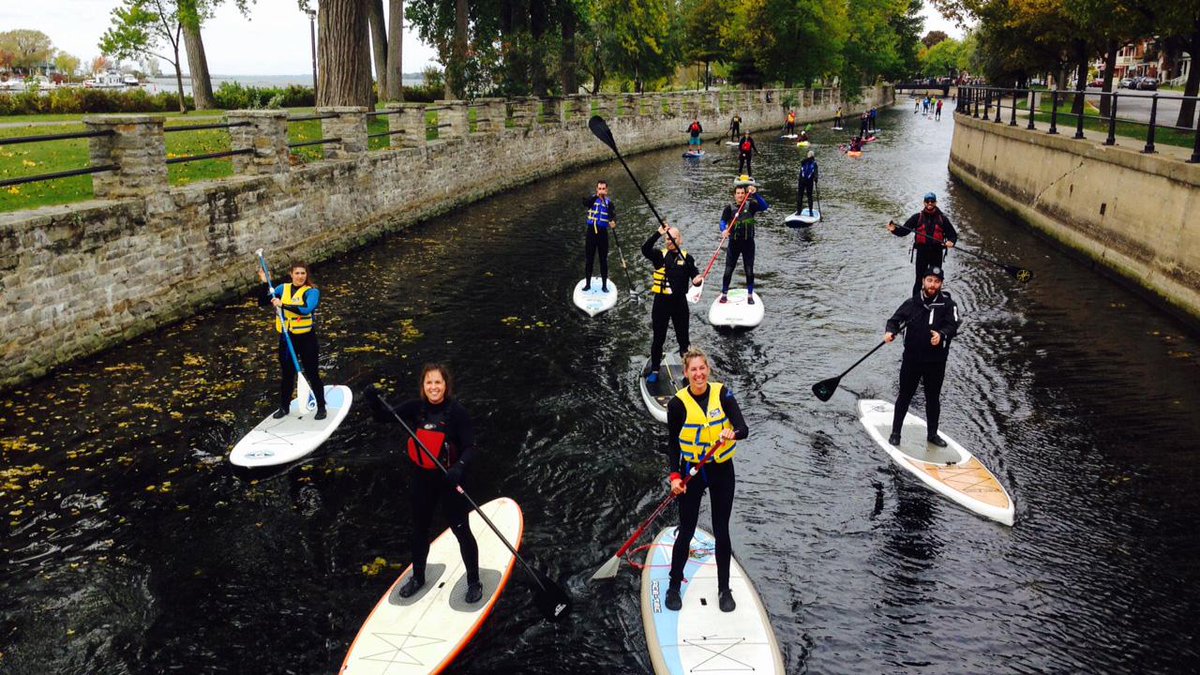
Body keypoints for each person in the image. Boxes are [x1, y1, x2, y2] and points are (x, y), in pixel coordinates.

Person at [366, 364, 483, 604]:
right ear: (423, 386)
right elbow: (383, 417)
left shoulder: (457, 413)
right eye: (429, 383)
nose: (433, 387)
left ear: (446, 385)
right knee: (419, 531)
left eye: (438, 382)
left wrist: (459, 467)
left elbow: (470, 447)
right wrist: (373, 400)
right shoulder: (414, 408)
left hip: (451, 480)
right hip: (423, 480)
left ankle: (473, 581)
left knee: (462, 531)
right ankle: (418, 577)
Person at [663, 346, 749, 614]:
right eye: (693, 370)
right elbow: (673, 445)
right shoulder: (677, 405)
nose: (699, 374)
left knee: (721, 529)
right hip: (693, 472)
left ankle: (724, 589)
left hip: (722, 469)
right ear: (686, 374)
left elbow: (742, 428)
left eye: (702, 368)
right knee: (686, 529)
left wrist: (731, 434)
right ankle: (674, 585)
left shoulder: (723, 394)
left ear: (708, 370)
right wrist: (675, 476)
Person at [883, 266, 961, 448]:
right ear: (923, 282)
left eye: (936, 281)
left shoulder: (949, 305)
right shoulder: (911, 303)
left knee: (932, 398)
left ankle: (932, 434)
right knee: (905, 395)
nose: (932, 285)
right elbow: (894, 321)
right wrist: (890, 332)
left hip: (936, 362)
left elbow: (953, 325)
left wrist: (941, 334)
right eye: (930, 281)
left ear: (941, 284)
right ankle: (896, 433)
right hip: (912, 359)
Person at [257, 262, 326, 420]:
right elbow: (262, 302)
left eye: (303, 273)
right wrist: (264, 282)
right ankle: (284, 407)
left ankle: (321, 407)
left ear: (306, 275)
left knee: (312, 373)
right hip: (287, 339)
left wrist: (283, 304)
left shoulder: (312, 292)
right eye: (297, 273)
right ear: (291, 274)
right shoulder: (282, 289)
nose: (300, 276)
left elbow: (306, 309)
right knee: (287, 374)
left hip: (307, 338)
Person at [642, 225, 703, 382]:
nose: (669, 241)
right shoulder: (659, 256)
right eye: (667, 239)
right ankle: (655, 369)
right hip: (661, 303)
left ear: (680, 240)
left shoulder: (687, 258)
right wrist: (658, 233)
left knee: (684, 340)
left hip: (679, 304)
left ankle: (687, 371)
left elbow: (694, 275)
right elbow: (645, 249)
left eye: (673, 239)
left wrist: (697, 280)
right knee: (658, 338)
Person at [888, 192, 958, 293]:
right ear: (924, 203)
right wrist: (894, 230)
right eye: (927, 201)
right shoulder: (917, 217)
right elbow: (904, 231)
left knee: (936, 279)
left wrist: (951, 242)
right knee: (919, 280)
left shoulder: (943, 219)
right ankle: (916, 303)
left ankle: (935, 301)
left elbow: (953, 235)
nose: (930, 203)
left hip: (936, 253)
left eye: (932, 201)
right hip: (922, 253)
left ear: (936, 202)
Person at [719, 184, 769, 304]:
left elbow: (764, 207)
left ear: (745, 194)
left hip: (748, 243)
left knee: (749, 271)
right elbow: (722, 221)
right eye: (738, 193)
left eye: (742, 193)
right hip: (734, 244)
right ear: (734, 195)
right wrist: (724, 230)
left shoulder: (751, 206)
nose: (740, 195)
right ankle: (724, 293)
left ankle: (750, 295)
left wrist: (755, 194)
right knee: (728, 271)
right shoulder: (729, 208)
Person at [582, 180, 616, 292]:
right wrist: (596, 196)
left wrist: (613, 222)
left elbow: (613, 216)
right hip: (591, 232)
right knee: (589, 259)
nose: (601, 191)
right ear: (597, 189)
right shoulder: (592, 200)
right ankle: (587, 284)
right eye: (599, 189)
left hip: (602, 234)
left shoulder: (609, 203)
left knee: (603, 260)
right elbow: (585, 203)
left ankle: (604, 285)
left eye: (603, 189)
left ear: (606, 190)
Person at [797, 151, 818, 215]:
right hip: (809, 182)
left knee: (800, 196)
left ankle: (798, 212)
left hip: (801, 181)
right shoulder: (814, 163)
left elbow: (802, 167)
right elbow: (816, 174)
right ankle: (810, 212)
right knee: (809, 196)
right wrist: (816, 179)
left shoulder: (804, 162)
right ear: (813, 156)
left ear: (808, 156)